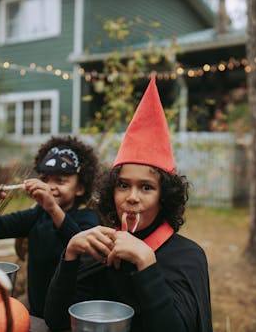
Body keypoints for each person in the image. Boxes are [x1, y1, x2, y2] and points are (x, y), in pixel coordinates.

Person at [44, 77, 213, 332]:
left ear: (164, 195)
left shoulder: (187, 257)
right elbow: (57, 322)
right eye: (123, 185)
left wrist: (146, 262)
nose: (131, 197)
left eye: (146, 187)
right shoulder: (100, 250)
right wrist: (70, 256)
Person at [0, 135, 101, 318]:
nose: (49, 186)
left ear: (80, 188)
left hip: (72, 318)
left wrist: (52, 207)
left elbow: (82, 245)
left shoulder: (88, 218)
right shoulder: (37, 216)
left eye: (60, 181)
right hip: (37, 315)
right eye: (45, 179)